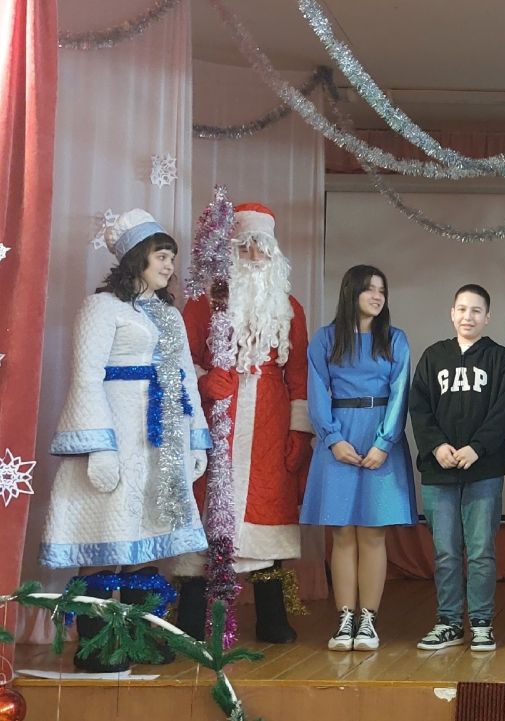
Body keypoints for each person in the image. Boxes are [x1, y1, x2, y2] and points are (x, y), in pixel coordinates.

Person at [39, 208, 210, 672]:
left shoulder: (170, 317)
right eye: (161, 255)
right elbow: (86, 377)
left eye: (172, 257)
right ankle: (97, 647)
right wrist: (99, 445)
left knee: (146, 541)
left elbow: (185, 380)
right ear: (137, 257)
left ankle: (139, 637)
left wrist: (196, 440)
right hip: (117, 436)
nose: (170, 264)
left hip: (160, 442)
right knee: (106, 538)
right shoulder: (101, 308)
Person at [173, 203, 312, 646]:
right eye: (245, 246)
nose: (253, 255)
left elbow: (299, 374)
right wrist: (204, 381)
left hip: (269, 425)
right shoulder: (204, 303)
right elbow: (179, 360)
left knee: (267, 516)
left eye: (261, 247)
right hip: (217, 423)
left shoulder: (290, 309)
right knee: (208, 512)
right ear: (231, 251)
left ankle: (272, 619)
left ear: (274, 253)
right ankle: (191, 618)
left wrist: (299, 431)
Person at [300, 264, 415, 651]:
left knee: (372, 532)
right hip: (338, 437)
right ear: (351, 292)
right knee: (341, 533)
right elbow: (317, 391)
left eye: (382, 290)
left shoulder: (395, 339)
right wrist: (332, 439)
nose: (377, 296)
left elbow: (400, 394)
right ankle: (345, 619)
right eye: (369, 289)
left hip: (380, 436)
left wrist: (385, 442)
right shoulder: (325, 339)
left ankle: (368, 621)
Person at [410, 284, 505, 653]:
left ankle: (482, 623)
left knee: (481, 550)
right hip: (439, 470)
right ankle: (448, 622)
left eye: (476, 310)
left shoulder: (499, 358)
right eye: (461, 309)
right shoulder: (433, 356)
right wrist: (436, 446)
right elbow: (419, 408)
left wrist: (477, 447)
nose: (468, 316)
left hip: (483, 470)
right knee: (445, 551)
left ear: (487, 317)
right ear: (451, 313)